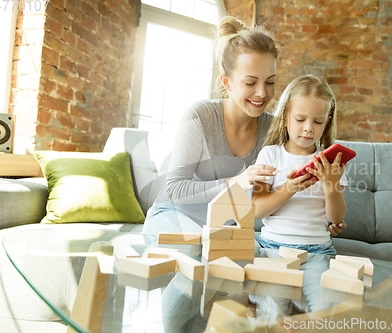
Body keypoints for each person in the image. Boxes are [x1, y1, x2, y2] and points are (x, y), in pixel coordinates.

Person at [142, 16, 280, 237]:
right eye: (250, 83)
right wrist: (236, 182)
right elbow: (175, 190)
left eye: (270, 82)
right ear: (226, 82)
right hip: (177, 217)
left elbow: (281, 191)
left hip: (228, 226)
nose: (262, 93)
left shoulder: (274, 129)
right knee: (198, 251)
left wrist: (322, 219)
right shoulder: (201, 116)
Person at [251, 74, 348, 312]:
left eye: (317, 121)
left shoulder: (331, 162)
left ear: (327, 121)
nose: (308, 128)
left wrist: (330, 185)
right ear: (284, 117)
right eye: (300, 119)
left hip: (317, 252)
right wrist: (289, 188)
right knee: (271, 313)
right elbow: (257, 210)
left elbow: (336, 219)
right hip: (273, 249)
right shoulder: (270, 155)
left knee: (326, 311)